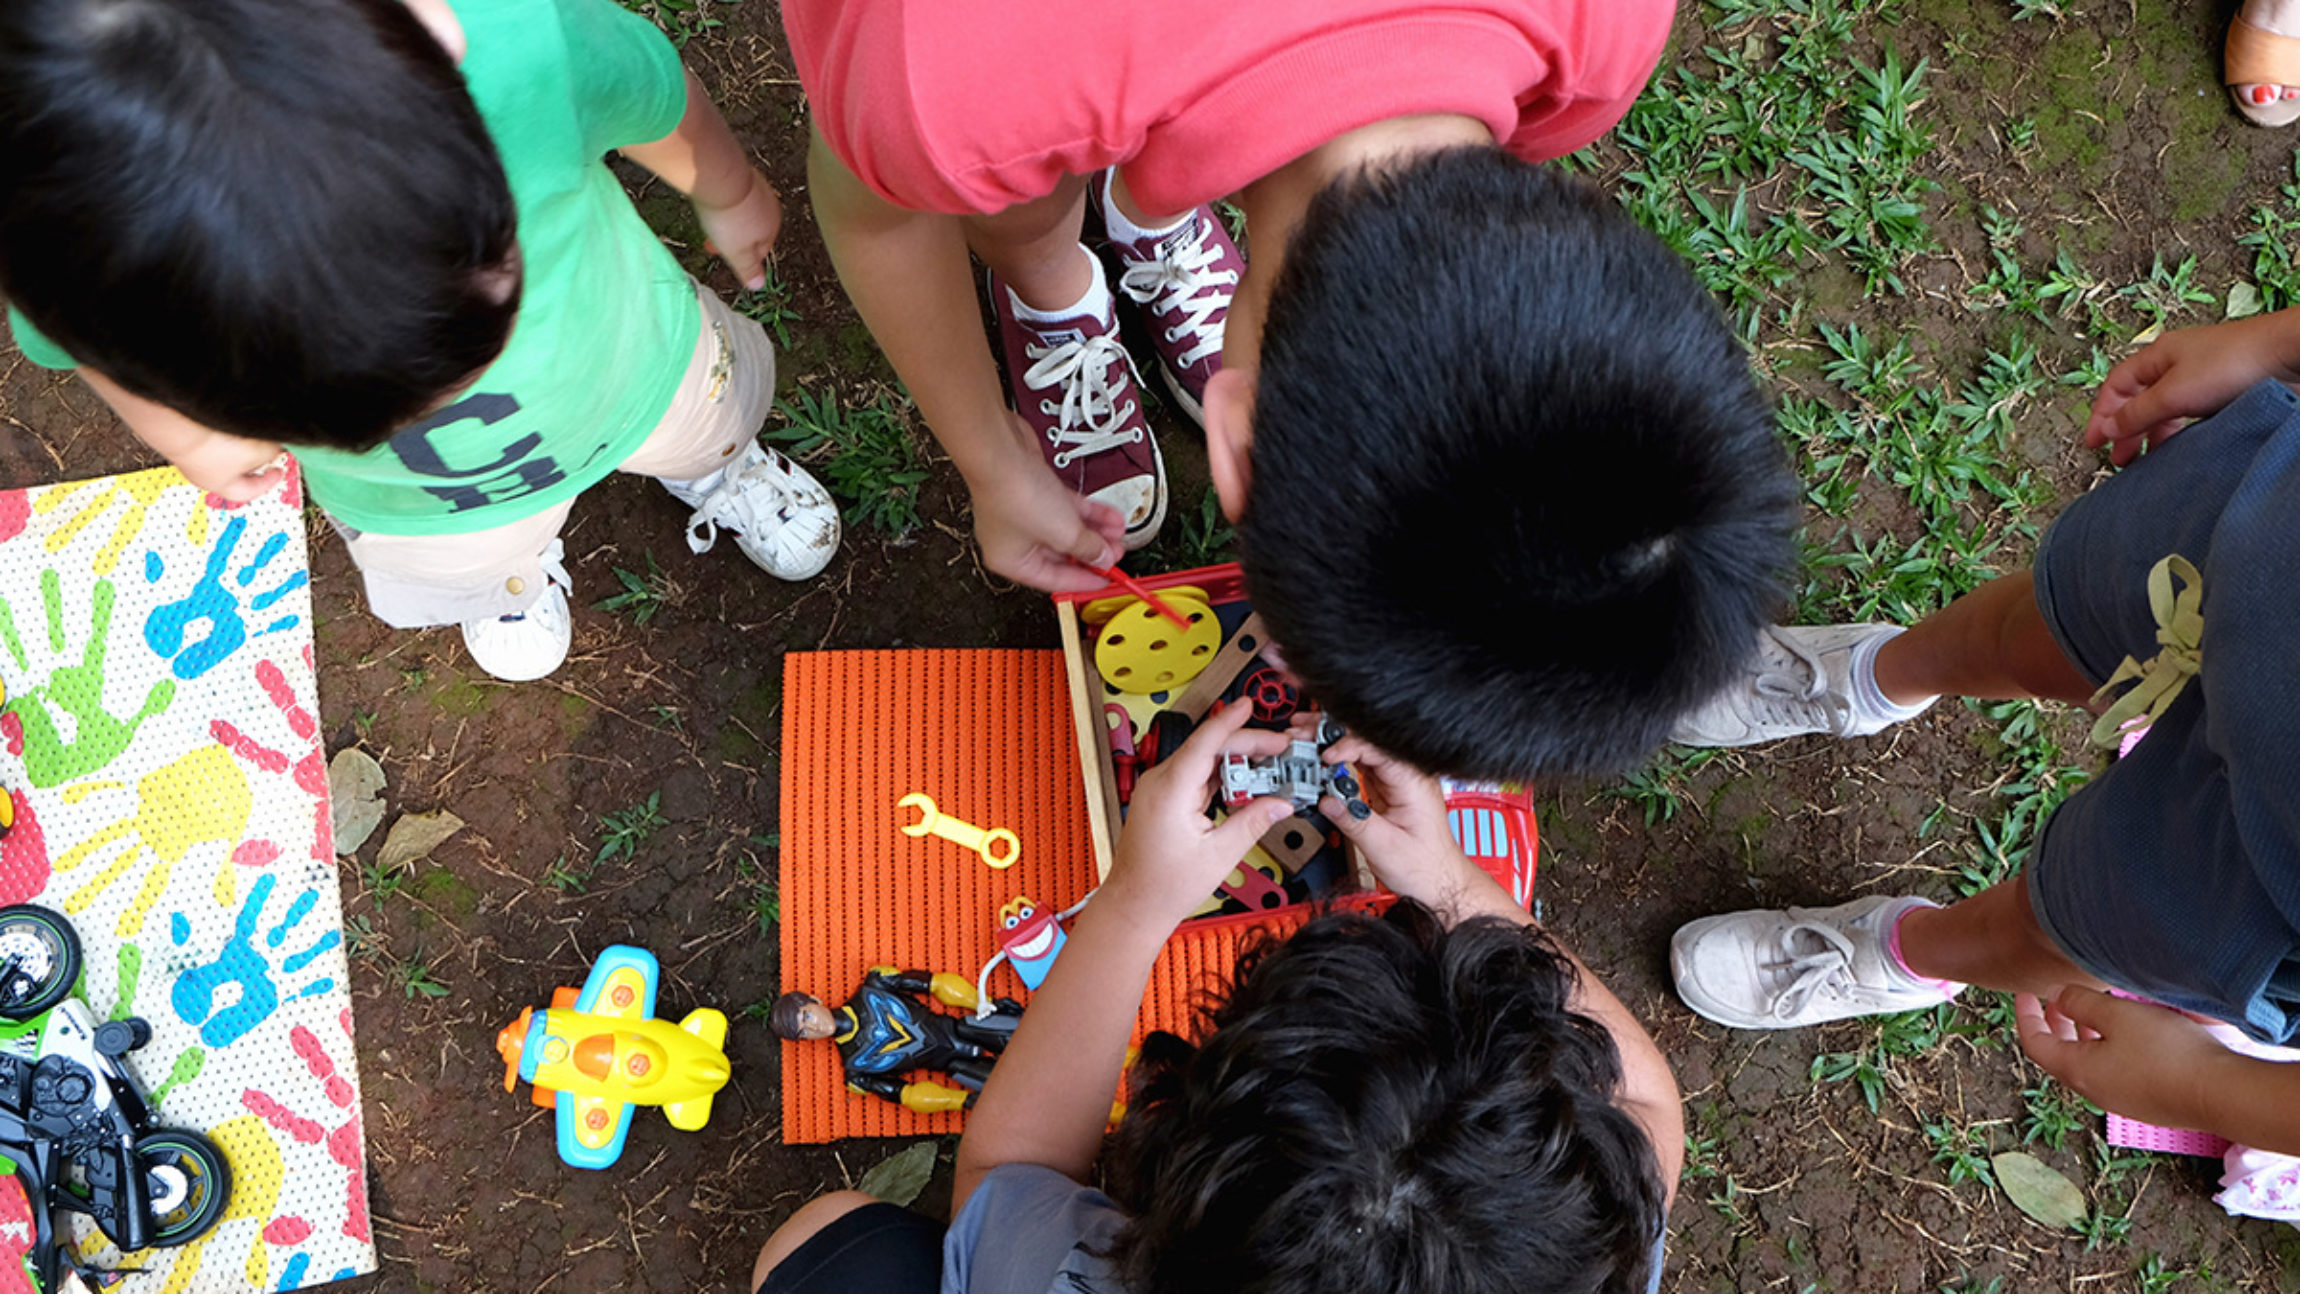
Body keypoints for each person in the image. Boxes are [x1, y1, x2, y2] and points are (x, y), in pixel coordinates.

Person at [791, 0, 1801, 779]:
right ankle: (1051, 274)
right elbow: (874, 211)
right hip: (1019, 68)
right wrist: (988, 453)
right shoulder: (946, 86)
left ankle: (1160, 195)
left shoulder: (1602, 31)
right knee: (1013, 189)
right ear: (1232, 433)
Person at [0, 0, 841, 682]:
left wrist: (726, 190)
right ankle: (505, 581)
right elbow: (81, 343)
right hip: (423, 504)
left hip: (639, 356)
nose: (465, 385)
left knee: (707, 415)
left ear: (438, 29)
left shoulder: (517, 42)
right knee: (469, 561)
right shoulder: (79, 242)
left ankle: (719, 465)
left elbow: (652, 93)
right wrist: (184, 435)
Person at [748, 701, 1684, 1294]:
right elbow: (1649, 1108)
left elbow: (1008, 1169)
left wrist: (1133, 904)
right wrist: (1445, 873)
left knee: (831, 1249)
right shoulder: (1586, 1251)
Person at [1664, 310, 2300, 1076]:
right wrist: (2284, 345)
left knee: (2074, 916)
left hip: (2276, 887)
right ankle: (1868, 676)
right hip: (2273, 539)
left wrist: (2204, 1087)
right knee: (2057, 622)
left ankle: (1900, 952)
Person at [769, 968, 1022, 1114]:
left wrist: (985, 1003)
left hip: (966, 1028)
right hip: (954, 1067)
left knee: (1030, 1034)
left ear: (814, 999)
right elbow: (906, 1095)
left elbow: (935, 984)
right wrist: (962, 1101)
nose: (813, 1026)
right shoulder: (857, 1072)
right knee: (1015, 1093)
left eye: (807, 1015)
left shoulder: (876, 984)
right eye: (804, 1032)